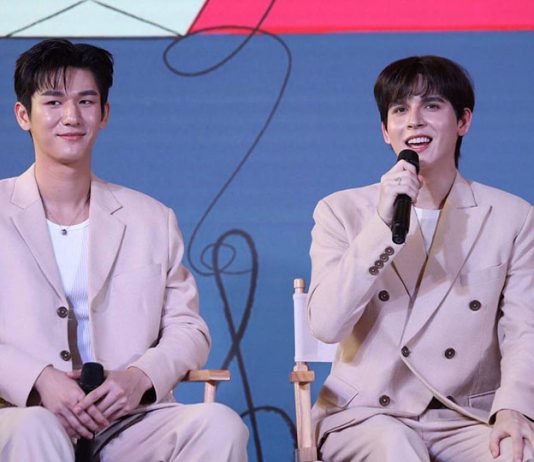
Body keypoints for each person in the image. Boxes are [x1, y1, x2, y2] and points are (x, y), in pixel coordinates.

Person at [0, 38, 248, 461]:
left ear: (104, 114)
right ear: (24, 115)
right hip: (20, 411)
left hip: (127, 420)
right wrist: (37, 378)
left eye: (86, 101)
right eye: (54, 102)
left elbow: (189, 328)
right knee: (35, 429)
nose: (71, 116)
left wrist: (139, 377)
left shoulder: (151, 218)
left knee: (219, 425)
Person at [307, 55, 534, 461]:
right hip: (365, 414)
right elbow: (327, 324)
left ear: (463, 121)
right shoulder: (341, 211)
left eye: (431, 105)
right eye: (399, 110)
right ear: (385, 131)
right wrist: (381, 226)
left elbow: (524, 329)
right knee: (396, 448)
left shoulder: (511, 217)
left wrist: (514, 408)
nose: (414, 121)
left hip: (464, 416)